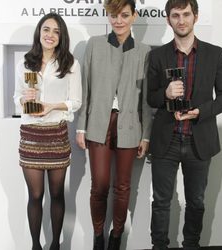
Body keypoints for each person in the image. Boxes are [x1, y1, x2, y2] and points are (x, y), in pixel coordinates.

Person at [147, 0, 222, 249]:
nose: (181, 20)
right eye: (176, 15)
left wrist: (200, 112)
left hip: (199, 140)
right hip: (167, 139)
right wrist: (165, 93)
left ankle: (191, 245)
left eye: (186, 14)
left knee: (196, 201)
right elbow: (150, 98)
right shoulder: (157, 55)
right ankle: (159, 246)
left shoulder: (214, 53)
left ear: (195, 17)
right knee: (161, 201)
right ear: (168, 19)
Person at [75, 0, 152, 249]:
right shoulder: (95, 45)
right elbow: (85, 88)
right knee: (99, 185)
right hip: (98, 123)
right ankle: (99, 235)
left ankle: (116, 236)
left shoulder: (144, 51)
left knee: (123, 186)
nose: (118, 20)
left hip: (130, 125)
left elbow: (148, 100)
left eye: (124, 15)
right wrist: (81, 126)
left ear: (134, 16)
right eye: (114, 15)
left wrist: (146, 135)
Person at [13, 13, 82, 250]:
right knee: (34, 195)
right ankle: (35, 245)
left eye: (56, 31)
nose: (50, 35)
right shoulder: (25, 62)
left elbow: (76, 101)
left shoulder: (70, 64)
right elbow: (16, 97)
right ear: (39, 32)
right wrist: (24, 99)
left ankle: (55, 245)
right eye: (46, 29)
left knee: (57, 194)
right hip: (31, 135)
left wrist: (52, 105)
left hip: (56, 135)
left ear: (61, 36)